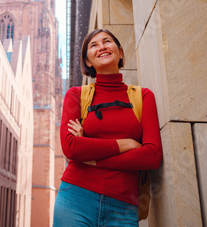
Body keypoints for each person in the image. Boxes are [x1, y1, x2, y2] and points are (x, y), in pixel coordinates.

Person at [53, 29, 163, 227]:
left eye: (107, 41)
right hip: (75, 198)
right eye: (93, 45)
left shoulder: (143, 96)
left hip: (123, 205)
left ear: (120, 52)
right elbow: (71, 148)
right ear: (87, 61)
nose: (101, 47)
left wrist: (91, 157)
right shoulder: (76, 95)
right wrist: (126, 144)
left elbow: (152, 156)